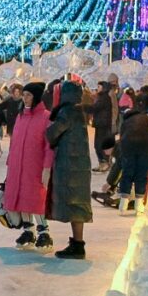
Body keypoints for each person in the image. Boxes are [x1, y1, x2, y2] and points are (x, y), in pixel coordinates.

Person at [2, 82, 54, 252]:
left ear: (37, 97)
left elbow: (49, 145)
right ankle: (28, 230)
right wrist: (10, 162)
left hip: (35, 166)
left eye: (28, 95)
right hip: (18, 166)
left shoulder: (46, 117)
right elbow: (14, 142)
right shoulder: (20, 116)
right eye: (23, 94)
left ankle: (43, 231)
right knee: (21, 197)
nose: (25, 98)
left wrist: (47, 167)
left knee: (35, 198)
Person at [45, 81, 93, 259]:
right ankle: (77, 243)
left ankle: (78, 246)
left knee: (74, 204)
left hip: (69, 165)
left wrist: (49, 129)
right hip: (79, 165)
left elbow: (53, 133)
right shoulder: (78, 110)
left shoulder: (67, 111)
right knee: (77, 205)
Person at [87, 82, 114, 173]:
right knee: (98, 144)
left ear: (104, 88)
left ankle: (104, 163)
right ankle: (102, 163)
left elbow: (95, 108)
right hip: (101, 124)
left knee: (99, 144)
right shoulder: (102, 97)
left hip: (103, 124)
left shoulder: (104, 98)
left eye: (99, 86)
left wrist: (83, 107)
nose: (97, 88)